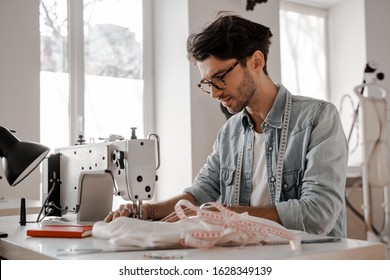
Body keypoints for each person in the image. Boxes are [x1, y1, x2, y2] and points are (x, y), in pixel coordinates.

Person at [105, 12, 348, 237]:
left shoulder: (318, 119)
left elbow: (317, 215)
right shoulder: (229, 133)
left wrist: (225, 215)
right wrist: (144, 211)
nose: (213, 94)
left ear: (256, 61)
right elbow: (199, 194)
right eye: (207, 83)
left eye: (219, 78)